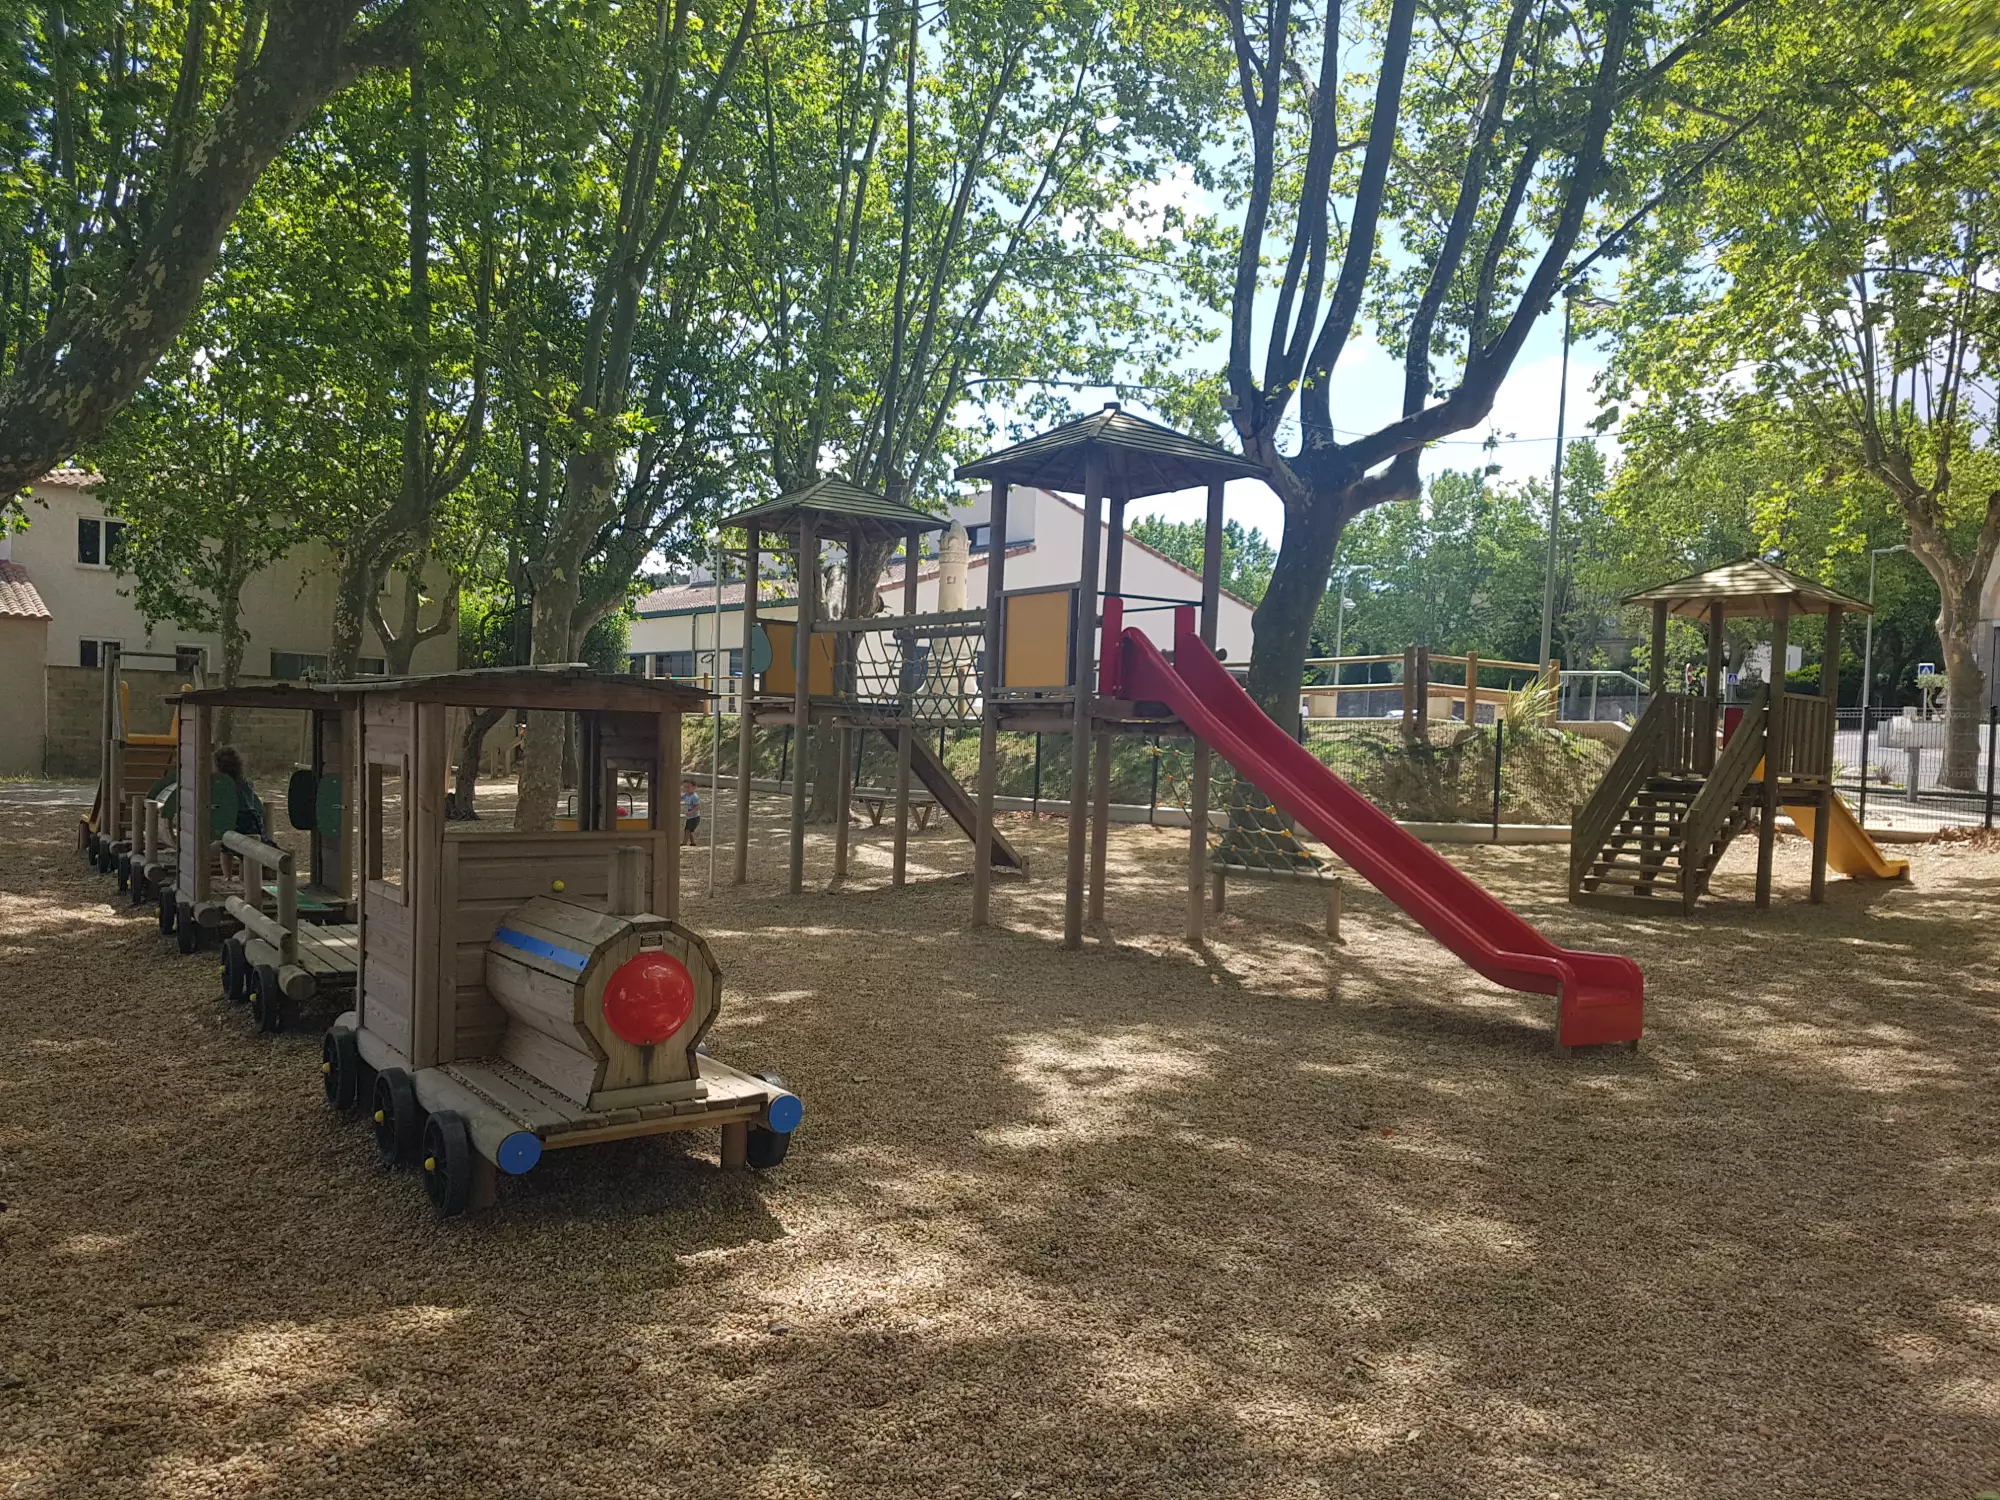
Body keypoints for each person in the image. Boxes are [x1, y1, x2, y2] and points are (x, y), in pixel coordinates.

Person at [213, 746, 266, 880]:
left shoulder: (223, 784)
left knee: (225, 849)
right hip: (251, 820)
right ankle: (243, 878)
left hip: (235, 820)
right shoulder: (245, 782)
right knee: (245, 853)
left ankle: (227, 876)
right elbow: (255, 804)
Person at [681, 778, 701, 847]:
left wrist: (691, 812)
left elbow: (698, 806)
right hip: (690, 817)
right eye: (685, 787)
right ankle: (693, 842)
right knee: (690, 830)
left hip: (695, 817)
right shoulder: (686, 795)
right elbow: (680, 797)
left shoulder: (694, 797)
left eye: (688, 787)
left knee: (687, 830)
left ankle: (684, 843)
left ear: (694, 787)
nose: (686, 789)